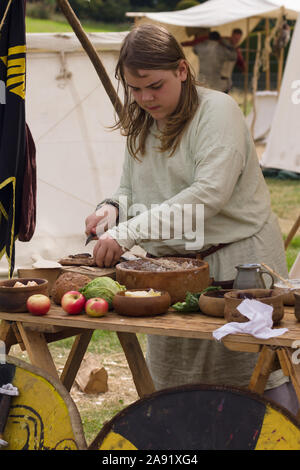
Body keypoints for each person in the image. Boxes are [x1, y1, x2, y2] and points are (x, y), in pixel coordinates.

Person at [85, 24, 297, 414]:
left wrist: (127, 231)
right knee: (177, 381)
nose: (145, 97)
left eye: (155, 86)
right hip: (171, 270)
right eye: (134, 88)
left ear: (182, 70)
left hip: (240, 264)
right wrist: (111, 208)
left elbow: (207, 196)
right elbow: (132, 189)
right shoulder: (143, 120)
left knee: (256, 372)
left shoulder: (218, 111)